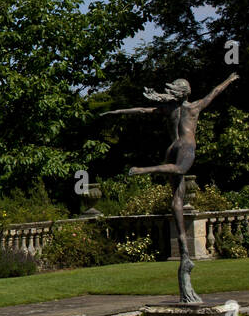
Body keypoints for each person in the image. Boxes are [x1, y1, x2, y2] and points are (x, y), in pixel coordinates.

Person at [102, 73, 239, 302]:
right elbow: (214, 92)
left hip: (171, 147)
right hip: (185, 146)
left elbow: (142, 111)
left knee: (177, 198)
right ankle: (145, 170)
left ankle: (184, 249)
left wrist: (117, 112)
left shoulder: (168, 110)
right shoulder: (193, 108)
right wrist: (229, 79)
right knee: (179, 170)